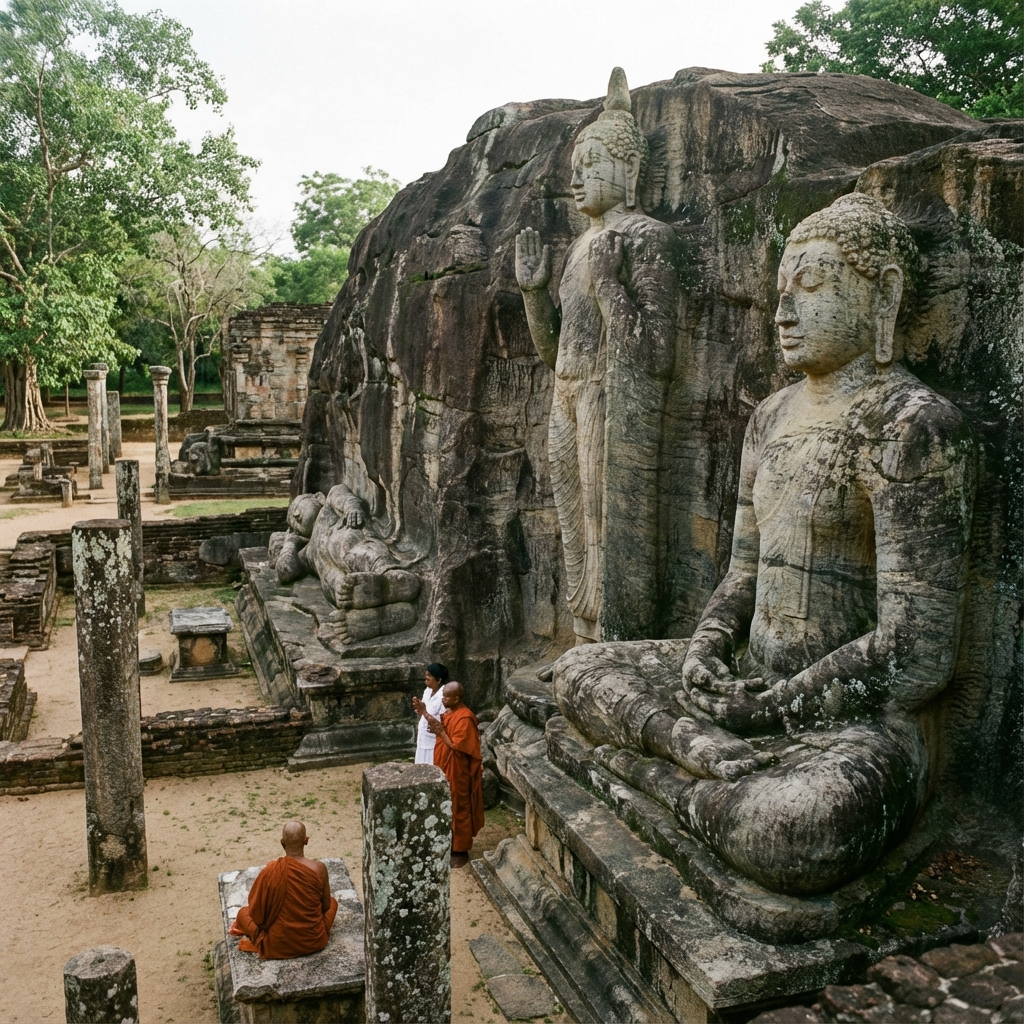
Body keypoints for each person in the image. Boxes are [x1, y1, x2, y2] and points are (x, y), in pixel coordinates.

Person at [553, 193, 976, 895]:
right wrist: (704, 650)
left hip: (851, 722)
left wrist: (769, 711)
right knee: (580, 672)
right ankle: (694, 759)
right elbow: (743, 573)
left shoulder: (912, 427)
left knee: (798, 827)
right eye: (781, 290)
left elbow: (916, 655)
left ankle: (649, 770)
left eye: (810, 286)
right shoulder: (771, 415)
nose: (784, 311)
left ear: (884, 295)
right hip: (749, 675)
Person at [229, 820, 338, 959]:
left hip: (277, 945)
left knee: (242, 913)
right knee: (333, 902)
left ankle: (261, 941)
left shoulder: (271, 871)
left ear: (282, 842)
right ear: (306, 840)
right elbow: (326, 906)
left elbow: (256, 914)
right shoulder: (319, 868)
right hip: (314, 941)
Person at [422, 682, 485, 867]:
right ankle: (449, 843)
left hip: (458, 771)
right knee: (446, 805)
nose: (443, 699)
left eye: (447, 697)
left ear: (457, 698)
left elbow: (457, 745)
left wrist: (440, 731)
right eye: (443, 696)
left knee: (459, 807)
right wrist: (433, 723)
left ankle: (460, 850)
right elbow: (445, 734)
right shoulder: (450, 714)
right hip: (446, 767)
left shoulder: (465, 718)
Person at [412, 663, 448, 764]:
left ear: (439, 680)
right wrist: (419, 708)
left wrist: (423, 711)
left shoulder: (444, 695)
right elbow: (424, 711)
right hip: (423, 737)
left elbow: (443, 721)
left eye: (429, 676)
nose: (426, 678)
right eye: (426, 675)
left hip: (434, 741)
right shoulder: (427, 691)